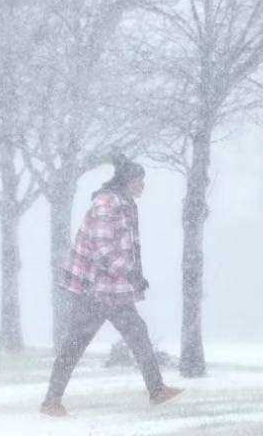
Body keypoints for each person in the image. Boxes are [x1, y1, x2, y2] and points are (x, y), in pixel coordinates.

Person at [40, 154, 184, 417]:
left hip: (111, 289)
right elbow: (102, 249)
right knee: (76, 343)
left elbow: (124, 248)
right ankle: (51, 402)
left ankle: (157, 390)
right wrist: (131, 274)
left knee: (136, 333)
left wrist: (134, 276)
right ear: (128, 180)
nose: (143, 186)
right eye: (140, 180)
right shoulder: (107, 204)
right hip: (94, 290)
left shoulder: (125, 204)